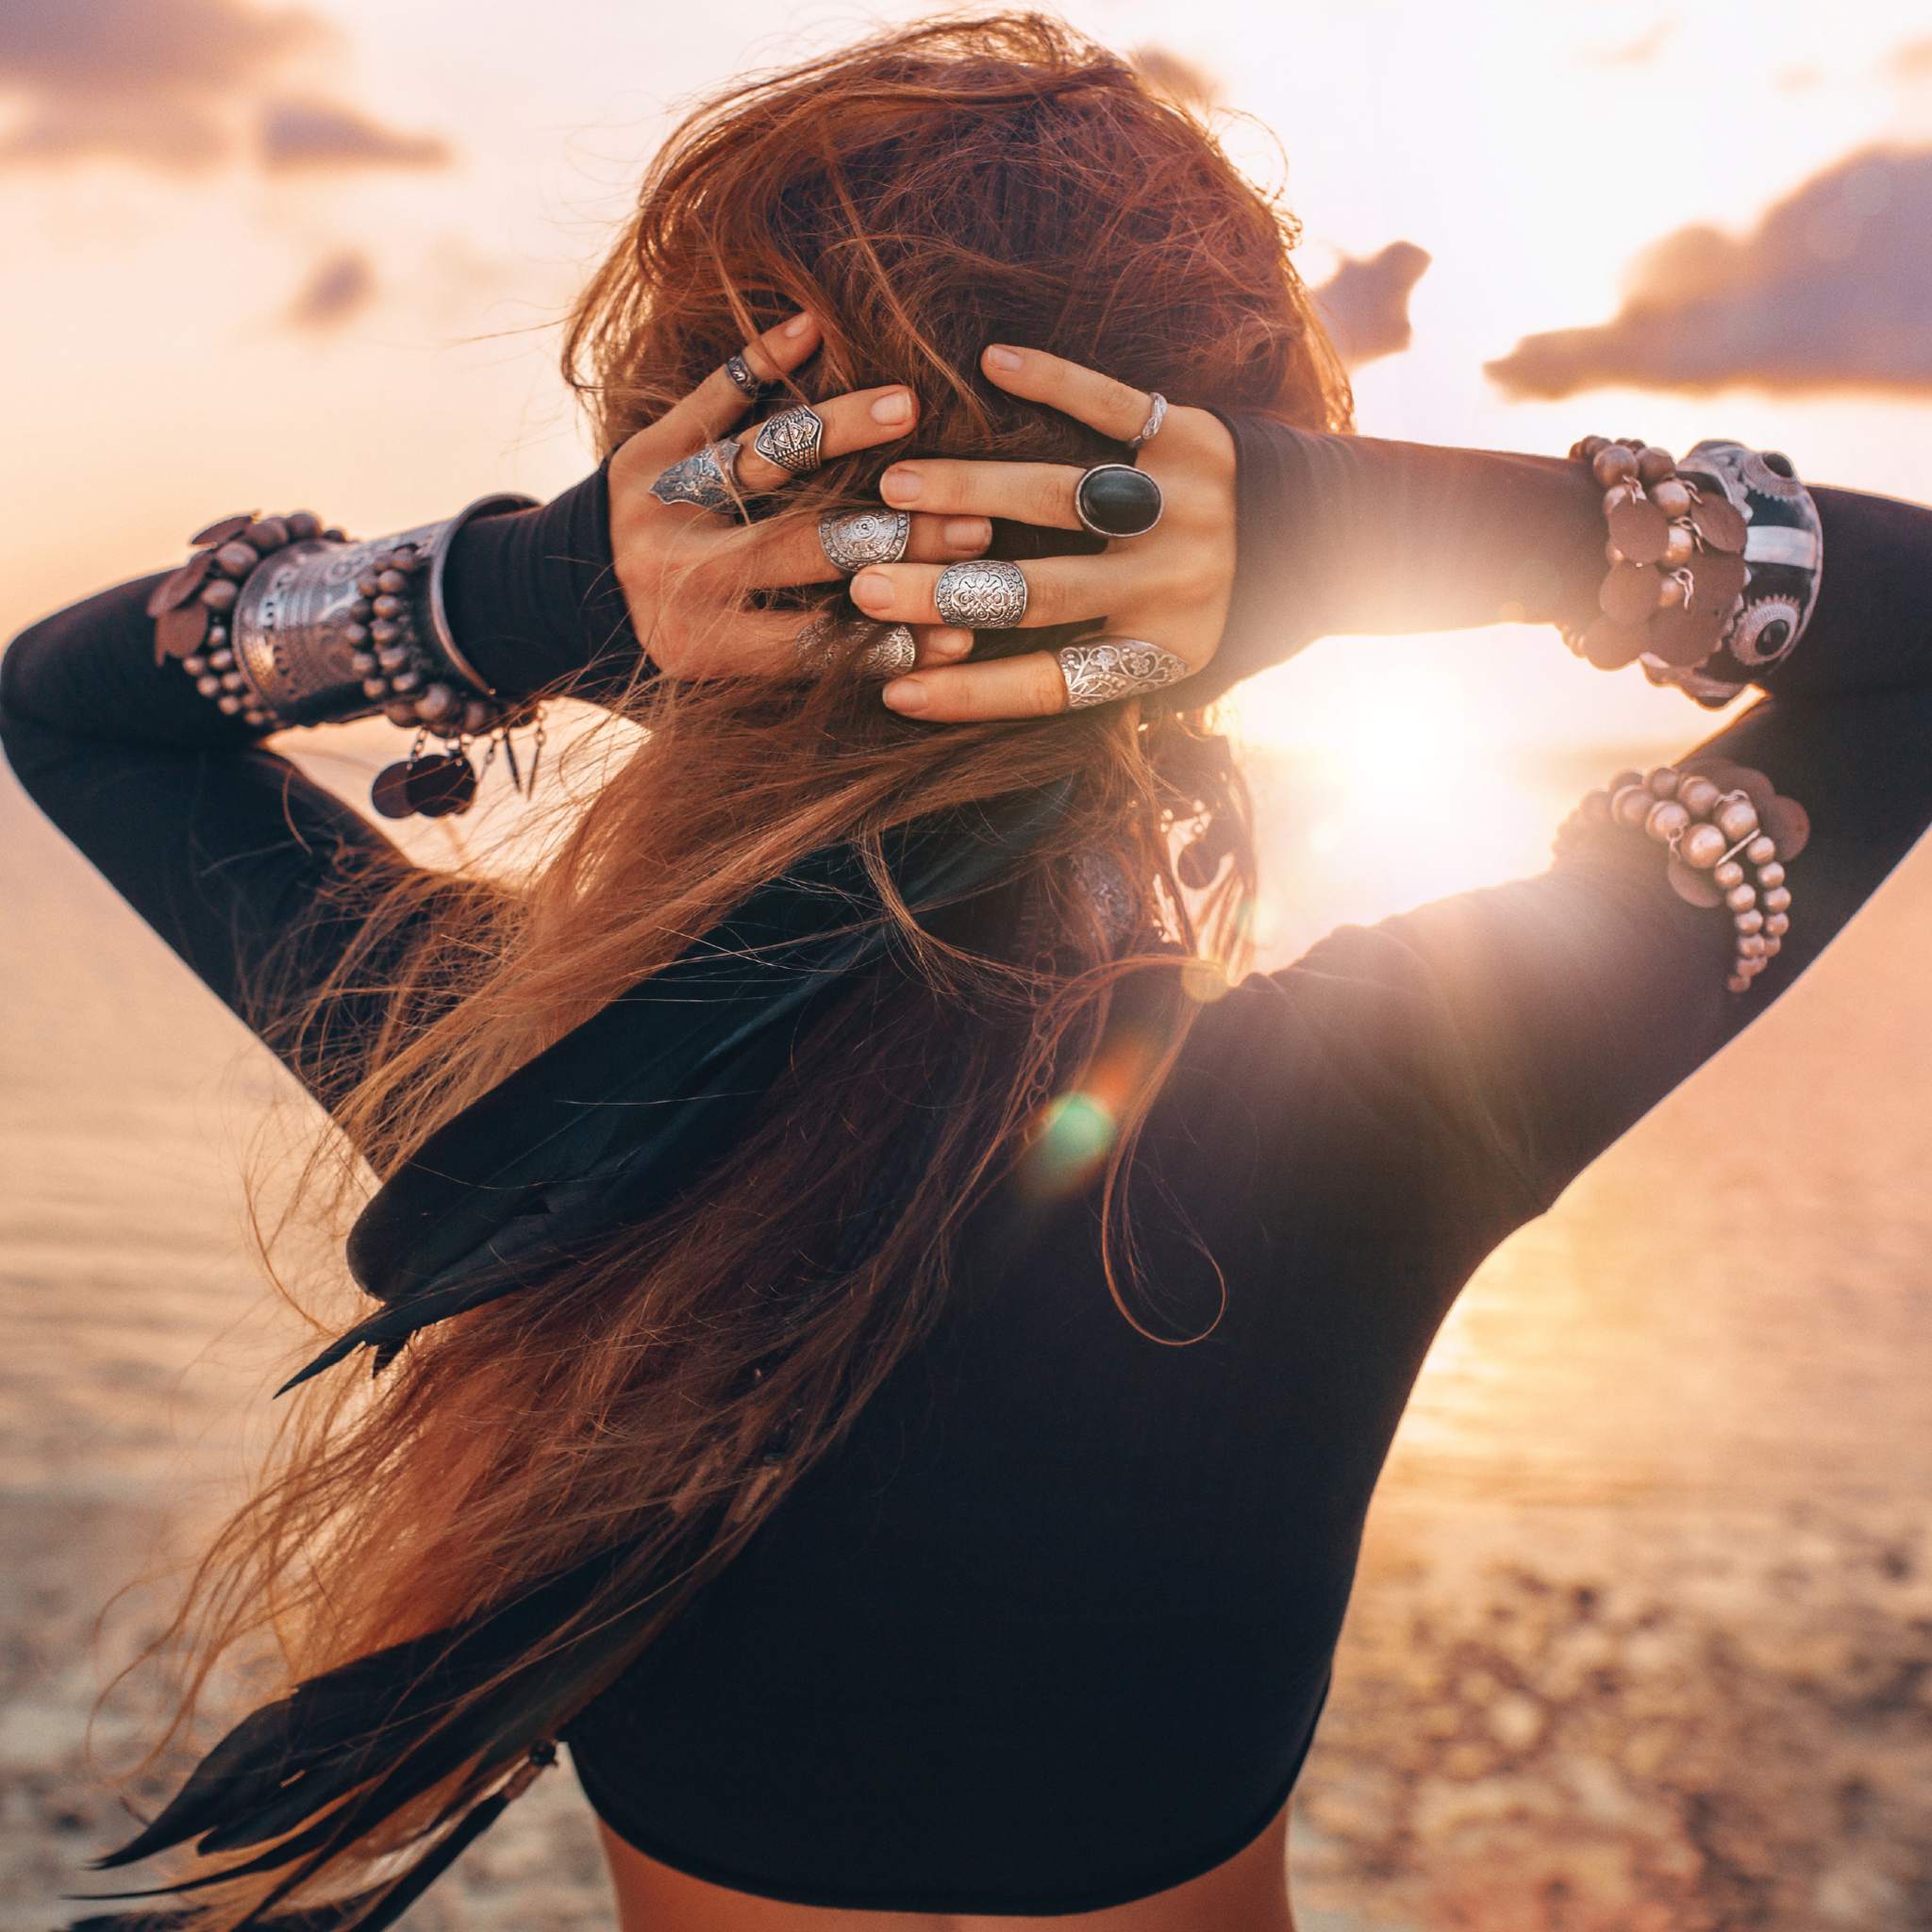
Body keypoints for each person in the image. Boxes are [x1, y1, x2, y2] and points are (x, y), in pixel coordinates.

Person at [3, 14, 1927, 1932]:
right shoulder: (1377, 1107)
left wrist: (552, 591)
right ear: (1234, 538)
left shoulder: (526, 1096)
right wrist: (1383, 530)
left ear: (679, 477)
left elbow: (75, 713)